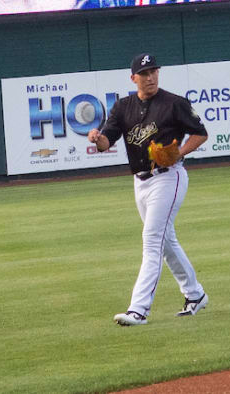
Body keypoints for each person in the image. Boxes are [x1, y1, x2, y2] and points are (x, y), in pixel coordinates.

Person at [86, 53, 210, 327]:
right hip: (140, 182)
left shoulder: (175, 103)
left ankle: (138, 309)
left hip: (169, 177)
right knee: (166, 242)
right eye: (144, 73)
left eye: (154, 71)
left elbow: (201, 133)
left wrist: (178, 153)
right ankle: (196, 294)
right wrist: (97, 138)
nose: (150, 76)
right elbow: (108, 142)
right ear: (134, 78)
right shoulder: (122, 107)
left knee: (152, 239)